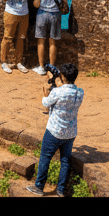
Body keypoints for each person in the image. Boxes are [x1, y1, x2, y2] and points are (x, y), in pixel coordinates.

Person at [27, 62, 83, 196]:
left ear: (62, 77)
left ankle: (39, 187)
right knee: (65, 161)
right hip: (70, 133)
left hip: (54, 132)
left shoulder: (57, 92)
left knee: (45, 158)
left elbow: (45, 103)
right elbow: (67, 93)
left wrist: (46, 89)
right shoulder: (80, 92)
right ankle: (60, 190)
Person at [33, 0, 67, 76]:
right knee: (53, 41)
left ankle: (42, 67)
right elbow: (64, 1)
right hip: (56, 15)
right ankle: (52, 67)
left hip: (42, 14)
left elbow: (37, 4)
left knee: (41, 41)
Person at [1, 0, 31, 74]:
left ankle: (18, 62)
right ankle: (3, 62)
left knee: (21, 38)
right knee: (7, 38)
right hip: (11, 13)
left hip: (24, 13)